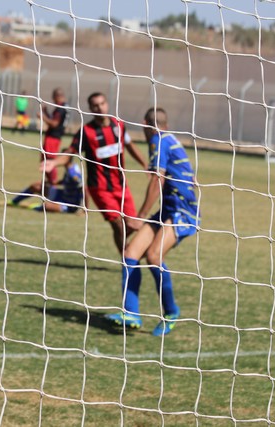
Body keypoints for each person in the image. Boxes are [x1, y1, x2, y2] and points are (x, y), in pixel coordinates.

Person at [105, 107, 200, 336]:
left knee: (153, 256)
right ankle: (131, 313)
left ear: (145, 123)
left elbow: (157, 180)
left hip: (181, 212)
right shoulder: (168, 139)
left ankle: (171, 312)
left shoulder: (159, 140)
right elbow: (187, 177)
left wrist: (139, 216)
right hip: (168, 210)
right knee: (130, 252)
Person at [43, 92, 147, 253]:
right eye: (95, 105)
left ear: (107, 104)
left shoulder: (118, 125)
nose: (100, 108)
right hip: (100, 188)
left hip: (121, 185)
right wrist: (54, 162)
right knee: (118, 224)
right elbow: (71, 152)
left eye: (102, 103)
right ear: (91, 108)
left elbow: (130, 145)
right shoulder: (86, 131)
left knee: (131, 224)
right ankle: (127, 261)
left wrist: (145, 164)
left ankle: (129, 254)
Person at [8, 161, 83, 213]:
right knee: (36, 186)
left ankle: (34, 207)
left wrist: (84, 210)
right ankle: (14, 202)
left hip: (69, 205)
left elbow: (83, 187)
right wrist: (54, 183)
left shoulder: (74, 173)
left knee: (46, 206)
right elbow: (66, 182)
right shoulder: (68, 169)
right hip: (61, 195)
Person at [38, 88, 68, 184]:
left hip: (53, 137)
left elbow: (54, 124)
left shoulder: (60, 108)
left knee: (49, 160)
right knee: (45, 159)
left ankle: (53, 183)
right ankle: (50, 182)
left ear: (57, 96)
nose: (53, 100)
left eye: (53, 98)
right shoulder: (65, 106)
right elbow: (55, 120)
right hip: (56, 137)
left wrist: (43, 117)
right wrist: (46, 113)